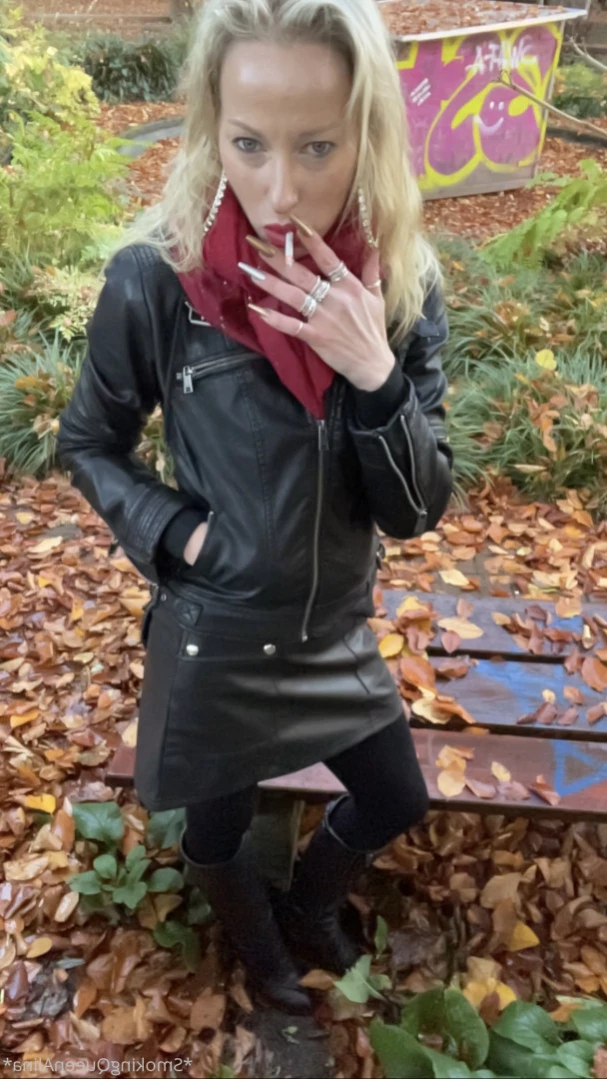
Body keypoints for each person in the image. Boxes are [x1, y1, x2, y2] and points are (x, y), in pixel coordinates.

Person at [57, 0, 452, 1015]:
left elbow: (414, 510)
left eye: (317, 146)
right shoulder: (157, 281)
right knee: (216, 825)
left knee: (395, 796)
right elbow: (88, 441)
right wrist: (180, 533)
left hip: (331, 627)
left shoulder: (400, 286)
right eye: (248, 144)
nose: (280, 191)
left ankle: (309, 905)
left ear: (365, 133)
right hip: (221, 630)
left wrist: (372, 371)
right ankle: (259, 950)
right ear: (212, 127)